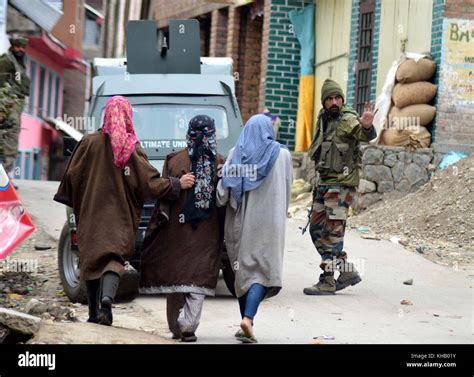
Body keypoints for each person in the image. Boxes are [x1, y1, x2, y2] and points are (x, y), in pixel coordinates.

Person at [53, 96, 195, 325]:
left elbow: (71, 176)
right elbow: (149, 182)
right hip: (120, 216)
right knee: (114, 259)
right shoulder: (131, 148)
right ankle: (107, 303)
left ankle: (92, 314)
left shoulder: (88, 143)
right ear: (128, 117)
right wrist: (176, 184)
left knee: (91, 262)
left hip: (91, 215)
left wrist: (81, 201)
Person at [139, 115, 225, 342]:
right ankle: (188, 326)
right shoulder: (221, 163)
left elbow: (163, 196)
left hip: (177, 232)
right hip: (208, 232)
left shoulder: (174, 160)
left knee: (177, 279)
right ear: (213, 135)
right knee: (198, 278)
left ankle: (177, 327)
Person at [217, 114, 292, 343]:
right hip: (272, 224)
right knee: (262, 272)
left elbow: (222, 196)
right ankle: (248, 321)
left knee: (243, 273)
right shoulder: (282, 155)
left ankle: (246, 322)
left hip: (241, 223)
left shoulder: (236, 155)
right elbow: (287, 189)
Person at [303, 78, 377, 296]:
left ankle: (327, 280)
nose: (334, 102)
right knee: (316, 229)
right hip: (324, 183)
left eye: (338, 98)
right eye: (330, 99)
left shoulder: (347, 118)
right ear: (324, 102)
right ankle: (347, 271)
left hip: (341, 187)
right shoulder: (323, 119)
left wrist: (367, 125)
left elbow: (363, 133)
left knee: (332, 233)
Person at [0, 36, 30, 186]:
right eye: (18, 47)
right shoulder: (6, 61)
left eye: (23, 47)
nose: (21, 50)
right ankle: (3, 180)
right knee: (9, 143)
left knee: (11, 142)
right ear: (12, 46)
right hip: (8, 107)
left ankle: (5, 178)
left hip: (15, 106)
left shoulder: (19, 62)